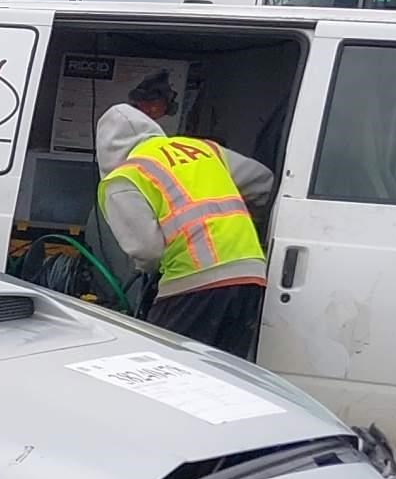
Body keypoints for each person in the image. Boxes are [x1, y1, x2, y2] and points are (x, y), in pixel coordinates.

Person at [93, 72, 274, 359]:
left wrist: (143, 270)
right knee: (226, 372)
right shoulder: (201, 148)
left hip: (192, 280)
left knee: (163, 366)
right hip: (251, 274)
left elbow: (146, 250)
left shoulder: (123, 178)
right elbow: (264, 182)